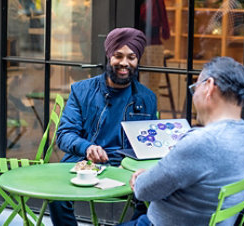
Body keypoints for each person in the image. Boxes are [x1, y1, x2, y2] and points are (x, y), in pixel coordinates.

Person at [121, 57, 244, 225]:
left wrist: (142, 178)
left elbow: (143, 190)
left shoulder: (202, 142)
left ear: (209, 86)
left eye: (195, 88)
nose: (194, 97)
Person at [49, 27, 158, 226]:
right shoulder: (81, 90)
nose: (124, 63)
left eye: (131, 57)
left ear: (137, 60)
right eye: (118, 56)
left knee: (151, 196)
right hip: (82, 162)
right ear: (109, 56)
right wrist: (87, 147)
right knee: (57, 197)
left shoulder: (147, 98)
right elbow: (64, 134)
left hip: (126, 167)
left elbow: (150, 147)